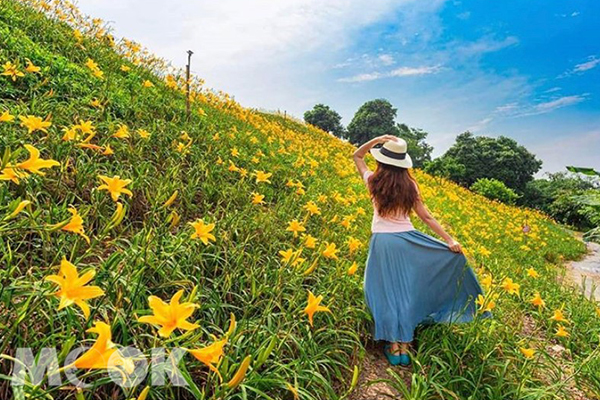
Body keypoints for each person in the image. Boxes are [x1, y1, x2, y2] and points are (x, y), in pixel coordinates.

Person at [353, 134, 490, 366]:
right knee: (406, 291)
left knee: (384, 292)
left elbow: (356, 155)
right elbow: (425, 216)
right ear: (403, 162)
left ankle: (392, 345)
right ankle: (404, 346)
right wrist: (449, 240)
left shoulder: (373, 180)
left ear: (383, 159)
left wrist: (377, 139)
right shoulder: (410, 185)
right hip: (408, 242)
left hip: (382, 244)